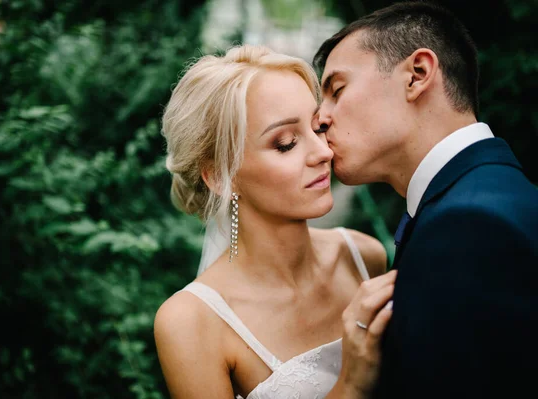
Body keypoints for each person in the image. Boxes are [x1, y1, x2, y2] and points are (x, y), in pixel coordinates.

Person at [313, 2, 538, 398]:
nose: (320, 118)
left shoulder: (468, 228)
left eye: (337, 89)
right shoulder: (493, 193)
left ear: (417, 75)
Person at [154, 44, 396, 399]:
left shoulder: (364, 256)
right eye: (285, 143)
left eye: (318, 128)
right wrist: (352, 384)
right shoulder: (191, 322)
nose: (323, 152)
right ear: (221, 177)